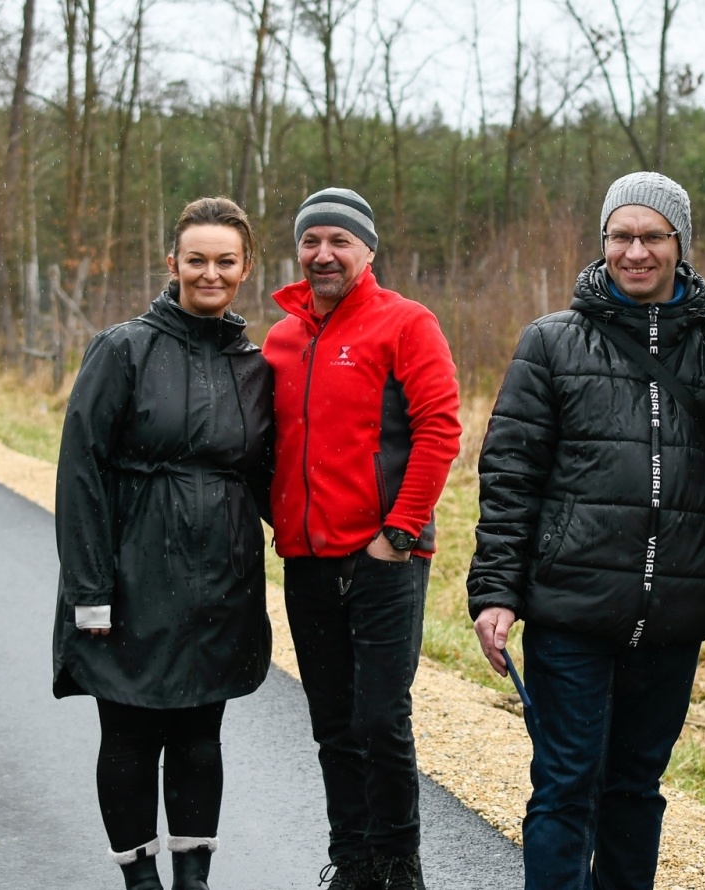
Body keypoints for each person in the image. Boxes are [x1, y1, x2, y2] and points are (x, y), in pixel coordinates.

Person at [467, 172, 705, 890]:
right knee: (565, 785)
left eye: (651, 236)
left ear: (681, 244)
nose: (635, 252)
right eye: (621, 236)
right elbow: (510, 479)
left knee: (635, 790)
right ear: (603, 242)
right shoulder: (549, 344)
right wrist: (496, 592)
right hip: (569, 610)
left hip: (673, 620)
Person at [54, 197, 274, 890]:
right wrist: (90, 592)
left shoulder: (251, 364)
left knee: (198, 734)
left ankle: (194, 880)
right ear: (172, 263)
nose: (211, 273)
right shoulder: (124, 349)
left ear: (245, 269)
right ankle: (140, 879)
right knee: (129, 735)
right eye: (198, 259)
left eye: (226, 261)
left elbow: (268, 477)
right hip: (130, 575)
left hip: (221, 578)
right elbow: (80, 474)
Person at [262, 188, 461, 890]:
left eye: (339, 241)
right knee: (332, 721)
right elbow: (268, 444)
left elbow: (441, 429)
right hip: (307, 561)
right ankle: (351, 861)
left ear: (367, 250)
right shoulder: (281, 339)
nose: (323, 254)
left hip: (385, 558)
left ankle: (399, 864)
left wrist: (400, 533)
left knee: (380, 718)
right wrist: (278, 516)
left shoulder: (406, 323)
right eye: (311, 241)